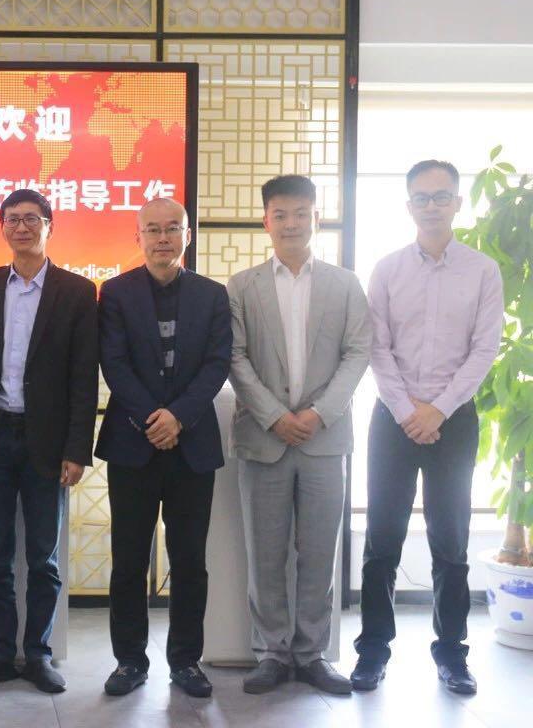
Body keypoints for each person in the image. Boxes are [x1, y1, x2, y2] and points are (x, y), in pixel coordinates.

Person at [352, 160, 503, 696]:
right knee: (382, 540)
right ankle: (372, 651)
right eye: (422, 197)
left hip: (453, 421)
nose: (432, 206)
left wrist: (437, 409)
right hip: (393, 420)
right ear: (408, 206)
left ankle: (452, 654)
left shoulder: (483, 271)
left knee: (451, 540)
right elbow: (376, 347)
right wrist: (406, 410)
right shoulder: (387, 270)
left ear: (458, 202)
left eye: (441, 196)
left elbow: (485, 349)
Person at [226, 175, 371, 695]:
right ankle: (271, 652)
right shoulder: (241, 286)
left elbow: (358, 352)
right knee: (265, 554)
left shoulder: (345, 284)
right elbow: (235, 357)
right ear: (266, 221)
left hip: (323, 440)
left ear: (316, 218)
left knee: (319, 553)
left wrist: (319, 413)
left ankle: (311, 654)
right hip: (264, 438)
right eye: (281, 214)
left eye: (301, 213)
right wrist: (274, 416)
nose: (291, 223)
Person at [0, 189, 98, 693]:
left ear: (49, 225)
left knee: (43, 559)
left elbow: (84, 377)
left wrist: (77, 449)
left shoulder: (77, 291)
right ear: (2, 227)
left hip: (48, 444)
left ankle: (38, 655)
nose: (21, 227)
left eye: (31, 219)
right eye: (12, 219)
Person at [95, 197, 231, 699]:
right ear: (138, 237)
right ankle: (130, 661)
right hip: (133, 445)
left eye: (172, 228)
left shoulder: (213, 295)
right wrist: (153, 418)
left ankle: (186, 662)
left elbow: (217, 363)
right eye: (152, 229)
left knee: (190, 561)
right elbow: (113, 362)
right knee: (129, 560)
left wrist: (179, 417)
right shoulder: (115, 293)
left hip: (192, 446)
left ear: (187, 236)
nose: (162, 238)